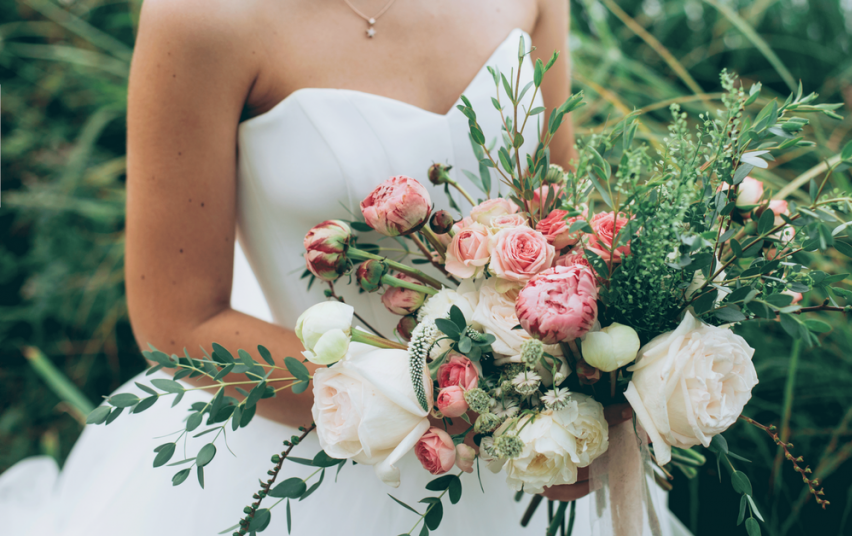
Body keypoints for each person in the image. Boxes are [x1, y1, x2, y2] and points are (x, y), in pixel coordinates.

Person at [0, 1, 689, 534]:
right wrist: (457, 409)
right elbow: (178, 320)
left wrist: (594, 379)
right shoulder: (202, 16)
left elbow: (556, 217)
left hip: (530, 455)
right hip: (312, 446)